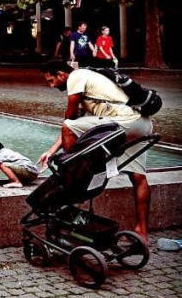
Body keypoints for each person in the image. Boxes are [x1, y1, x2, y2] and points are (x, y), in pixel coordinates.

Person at [38, 59, 154, 242]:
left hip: (121, 121)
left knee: (68, 125)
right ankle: (142, 231)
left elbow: (70, 119)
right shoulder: (92, 81)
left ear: (61, 74)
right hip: (142, 123)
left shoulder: (75, 76)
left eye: (51, 80)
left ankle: (73, 180)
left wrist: (68, 164)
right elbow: (77, 125)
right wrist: (51, 151)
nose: (51, 86)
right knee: (139, 178)